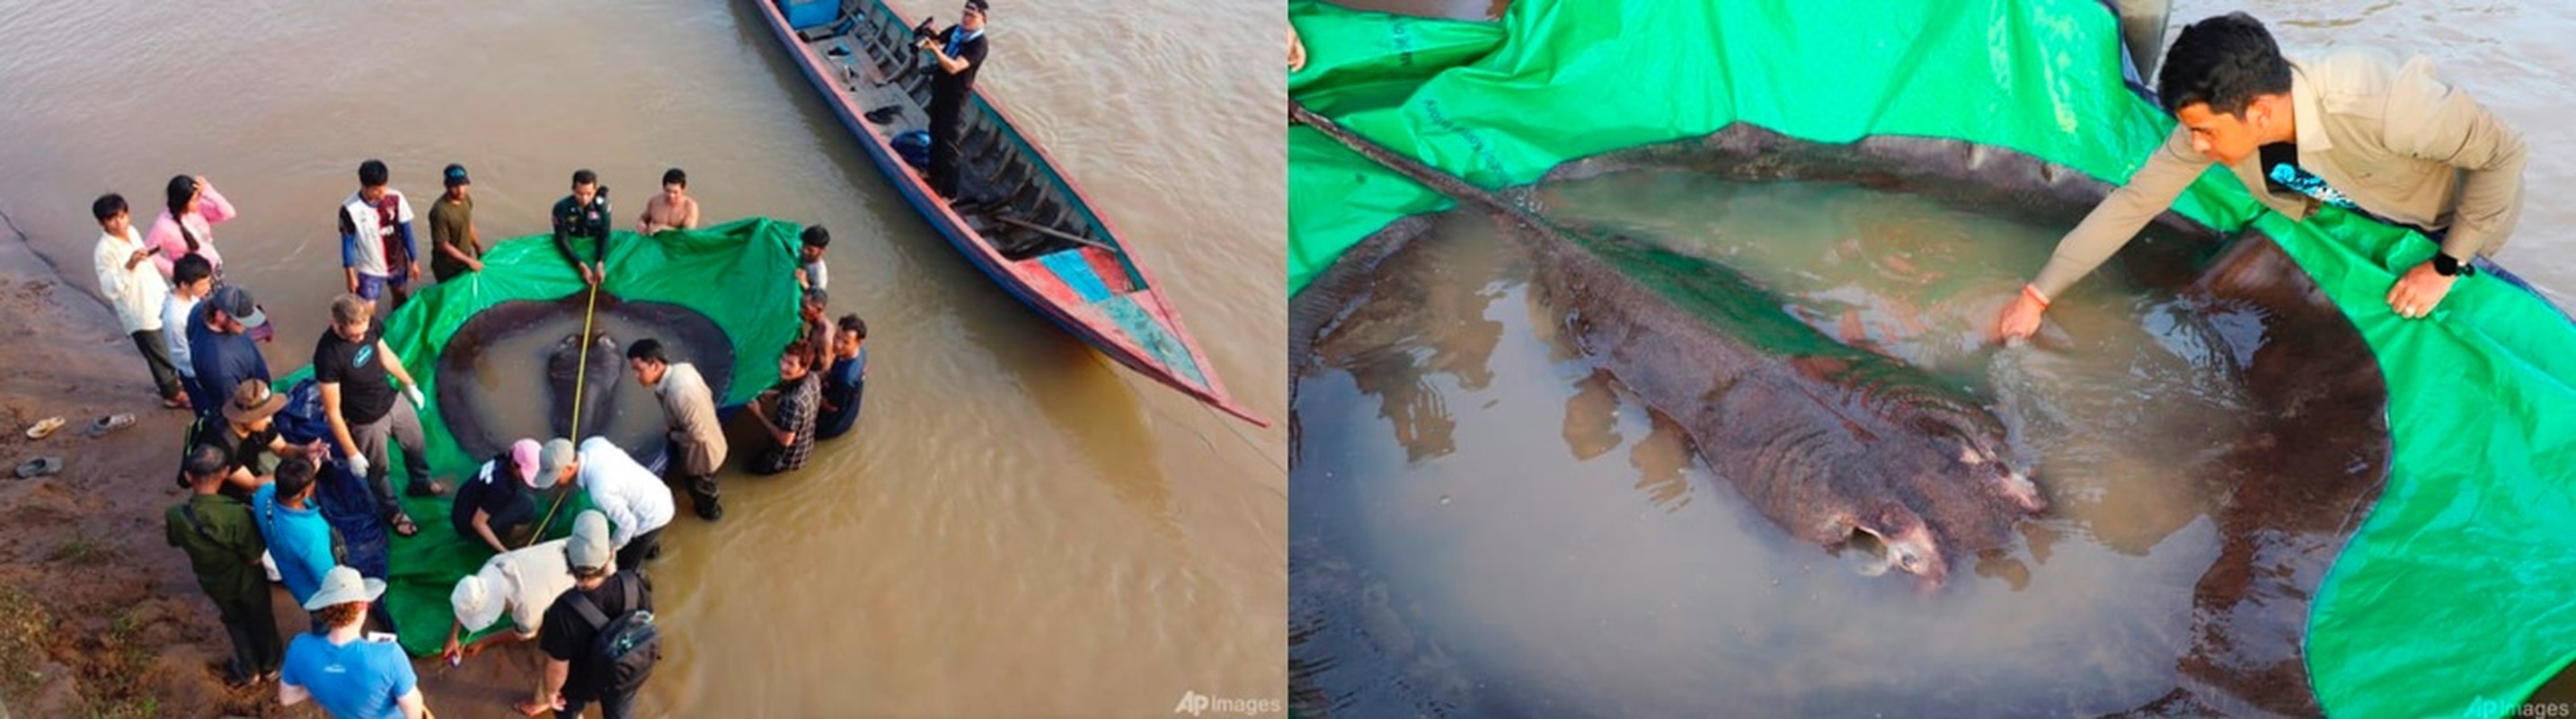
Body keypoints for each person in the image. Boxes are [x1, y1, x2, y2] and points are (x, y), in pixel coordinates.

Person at [1995, 13, 2530, 339]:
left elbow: (2503, 155)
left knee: (2448, 324)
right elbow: (2135, 202)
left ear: (2259, 112)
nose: (2195, 145)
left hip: (2443, 223)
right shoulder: (2216, 118)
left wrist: (2446, 265)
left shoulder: (2380, 100)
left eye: (2204, 131)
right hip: (2345, 213)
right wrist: (2038, 295)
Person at [314, 294, 446, 538]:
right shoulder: (327, 354)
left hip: (391, 399)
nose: (360, 338)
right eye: (354, 335)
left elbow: (385, 354)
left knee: (416, 444)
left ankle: (421, 483)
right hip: (365, 420)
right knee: (379, 469)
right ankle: (393, 511)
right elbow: (332, 411)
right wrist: (352, 452)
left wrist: (409, 384)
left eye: (363, 332)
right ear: (337, 324)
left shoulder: (369, 325)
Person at [165, 443, 280, 688]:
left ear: (188, 476)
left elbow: (174, 542)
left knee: (234, 621)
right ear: (226, 473)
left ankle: (249, 670)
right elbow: (254, 556)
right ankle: (270, 667)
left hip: (212, 581)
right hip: (247, 580)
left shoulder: (176, 514)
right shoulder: (236, 514)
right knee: (262, 620)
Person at [524, 510, 651, 719]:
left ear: (569, 561)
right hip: (623, 674)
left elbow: (557, 667)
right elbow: (646, 621)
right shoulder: (632, 583)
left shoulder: (562, 611)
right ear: (610, 554)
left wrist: (551, 694)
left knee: (569, 711)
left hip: (582, 682)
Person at [279, 566, 428, 719]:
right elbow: (413, 710)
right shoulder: (390, 655)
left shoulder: (299, 647)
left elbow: (286, 698)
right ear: (362, 605)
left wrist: (319, 681)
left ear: (324, 609)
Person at [91, 193, 185, 410]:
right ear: (101, 223)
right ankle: (172, 395)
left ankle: (174, 385)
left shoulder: (132, 232)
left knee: (170, 346)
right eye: (112, 219)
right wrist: (129, 265)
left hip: (157, 298)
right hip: (139, 310)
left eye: (123, 216)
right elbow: (109, 289)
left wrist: (167, 291)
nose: (120, 223)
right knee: (158, 354)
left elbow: (149, 267)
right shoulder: (104, 251)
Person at [539, 438, 674, 573]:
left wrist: (611, 549)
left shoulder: (600, 491)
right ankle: (648, 549)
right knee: (641, 542)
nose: (556, 482)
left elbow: (628, 525)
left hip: (654, 515)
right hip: (656, 490)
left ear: (569, 467)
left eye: (556, 476)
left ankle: (637, 572)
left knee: (625, 565)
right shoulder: (592, 443)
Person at [625, 339, 726, 520]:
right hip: (714, 437)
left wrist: (672, 434)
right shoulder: (683, 369)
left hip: (703, 456)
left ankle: (709, 512)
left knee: (702, 489)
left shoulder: (679, 393)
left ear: (655, 365)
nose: (636, 376)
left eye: (639, 370)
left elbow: (698, 435)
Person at [441, 536, 577, 666]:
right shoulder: (496, 564)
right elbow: (470, 593)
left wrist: (485, 642)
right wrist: (453, 636)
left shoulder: (526, 609)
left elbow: (526, 634)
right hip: (570, 544)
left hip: (583, 568)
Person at [199, 378, 326, 499]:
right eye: (263, 415)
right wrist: (303, 474)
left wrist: (305, 450)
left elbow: (282, 449)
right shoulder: (220, 445)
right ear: (246, 417)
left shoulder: (260, 425)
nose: (269, 419)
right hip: (230, 493)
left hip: (251, 471)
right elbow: (251, 484)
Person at [916, 0, 990, 200]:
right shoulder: (956, 31)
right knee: (935, 133)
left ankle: (949, 193)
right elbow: (938, 40)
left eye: (971, 16)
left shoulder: (978, 44)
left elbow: (954, 67)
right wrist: (926, 35)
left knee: (949, 144)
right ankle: (932, 176)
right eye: (964, 13)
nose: (966, 18)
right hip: (940, 88)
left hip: (955, 97)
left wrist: (935, 51)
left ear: (983, 20)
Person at [254, 457, 338, 619]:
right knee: (327, 626)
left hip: (295, 581)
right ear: (305, 492)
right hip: (319, 596)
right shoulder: (310, 535)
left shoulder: (263, 496)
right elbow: (327, 579)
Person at [339, 159, 422, 308]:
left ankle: (397, 329)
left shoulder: (396, 198)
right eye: (377, 190)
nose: (382, 193)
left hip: (397, 262)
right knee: (367, 308)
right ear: (364, 186)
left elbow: (407, 231)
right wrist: (350, 275)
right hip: (369, 268)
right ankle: (372, 331)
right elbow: (348, 244)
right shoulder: (350, 209)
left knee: (400, 297)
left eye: (384, 187)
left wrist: (414, 260)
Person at [452, 439, 554, 553]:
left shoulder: (501, 460)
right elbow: (478, 523)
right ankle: (512, 541)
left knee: (522, 498)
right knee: (528, 506)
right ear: (515, 465)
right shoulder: (502, 488)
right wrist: (504, 551)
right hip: (468, 526)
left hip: (462, 508)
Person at [186, 285, 270, 421]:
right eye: (240, 323)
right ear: (220, 316)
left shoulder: (198, 309)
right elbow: (236, 411)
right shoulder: (219, 365)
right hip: (251, 404)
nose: (245, 327)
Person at [748, 341, 821, 475]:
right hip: (805, 443)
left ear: (803, 368)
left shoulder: (792, 402)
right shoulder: (813, 377)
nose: (782, 366)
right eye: (783, 359)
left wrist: (758, 413)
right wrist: (774, 394)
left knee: (750, 469)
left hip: (787, 458)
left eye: (790, 364)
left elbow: (785, 440)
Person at [144, 173, 235, 280]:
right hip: (192, 280)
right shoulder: (163, 226)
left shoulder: (199, 209)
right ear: (182, 201)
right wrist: (176, 271)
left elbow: (229, 213)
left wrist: (208, 191)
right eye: (194, 200)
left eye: (199, 197)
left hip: (213, 268)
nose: (198, 202)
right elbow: (149, 253)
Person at [162, 253, 215, 399]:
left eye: (208, 282)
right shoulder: (174, 318)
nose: (208, 288)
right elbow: (181, 353)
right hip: (195, 373)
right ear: (184, 285)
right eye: (203, 284)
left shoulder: (191, 297)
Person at [553, 169, 615, 286]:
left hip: (593, 238)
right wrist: (580, 265)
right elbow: (562, 239)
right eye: (579, 194)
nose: (584, 199)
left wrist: (600, 262)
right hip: (574, 239)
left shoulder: (603, 206)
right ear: (573, 189)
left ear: (595, 191)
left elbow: (604, 234)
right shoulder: (561, 208)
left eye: (589, 194)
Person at [429, 163, 486, 282]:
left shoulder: (466, 199)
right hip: (448, 268)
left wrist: (478, 247)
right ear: (446, 186)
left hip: (464, 259)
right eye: (455, 186)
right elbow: (442, 245)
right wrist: (469, 261)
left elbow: (468, 224)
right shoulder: (440, 211)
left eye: (463, 185)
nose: (460, 190)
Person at [818, 314, 868, 440]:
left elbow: (831, 406)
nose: (837, 345)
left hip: (832, 422)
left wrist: (810, 393)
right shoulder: (861, 352)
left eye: (845, 342)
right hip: (847, 402)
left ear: (858, 342)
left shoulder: (846, 379)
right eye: (836, 337)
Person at [635, 167, 699, 234]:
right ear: (663, 187)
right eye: (667, 191)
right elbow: (643, 218)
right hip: (655, 241)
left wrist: (664, 228)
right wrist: (641, 224)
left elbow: (688, 234)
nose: (671, 195)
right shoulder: (654, 201)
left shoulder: (690, 207)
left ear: (683, 189)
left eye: (675, 192)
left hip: (677, 242)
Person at [797, 288, 835, 370]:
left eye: (805, 308)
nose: (800, 311)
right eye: (801, 305)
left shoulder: (825, 334)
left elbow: (826, 369)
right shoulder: (815, 325)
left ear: (819, 309)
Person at [795, 225, 829, 290]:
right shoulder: (801, 251)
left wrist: (804, 283)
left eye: (810, 250)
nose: (804, 251)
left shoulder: (819, 272)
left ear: (821, 251)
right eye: (803, 246)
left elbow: (818, 297)